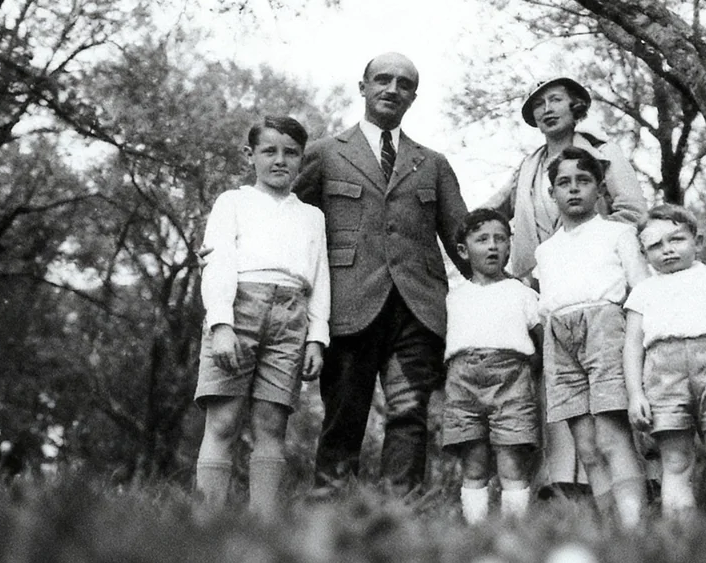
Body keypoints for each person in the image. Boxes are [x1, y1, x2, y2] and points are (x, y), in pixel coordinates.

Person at [294, 52, 469, 493]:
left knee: (409, 416)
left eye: (404, 84)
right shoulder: (324, 154)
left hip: (418, 311)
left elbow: (465, 240)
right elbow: (288, 222)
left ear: (413, 97)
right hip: (347, 307)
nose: (393, 89)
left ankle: (402, 514)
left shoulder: (433, 163)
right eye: (383, 79)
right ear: (363, 87)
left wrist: (513, 280)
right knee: (344, 418)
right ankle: (331, 514)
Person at [482, 77, 651, 500]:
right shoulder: (530, 165)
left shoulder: (603, 151)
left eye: (555, 99)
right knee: (562, 397)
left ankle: (637, 494)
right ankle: (569, 487)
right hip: (547, 287)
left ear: (575, 105)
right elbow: (492, 208)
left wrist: (583, 242)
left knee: (612, 402)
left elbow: (633, 210)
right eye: (538, 104)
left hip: (599, 286)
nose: (547, 109)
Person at [194, 115, 329, 518]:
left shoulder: (312, 216)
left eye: (291, 153)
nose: (280, 160)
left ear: (302, 159)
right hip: (240, 309)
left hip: (291, 316)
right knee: (223, 421)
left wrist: (317, 337)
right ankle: (207, 522)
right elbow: (218, 264)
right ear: (249, 155)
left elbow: (320, 277)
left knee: (271, 424)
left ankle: (263, 525)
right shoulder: (232, 202)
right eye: (269, 151)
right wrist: (221, 324)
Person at [531, 146, 648, 527]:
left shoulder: (618, 233)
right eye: (564, 182)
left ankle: (634, 526)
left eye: (583, 180)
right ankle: (611, 527)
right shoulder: (546, 251)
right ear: (552, 193)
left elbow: (642, 291)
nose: (573, 189)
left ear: (599, 188)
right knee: (587, 447)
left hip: (605, 329)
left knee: (612, 437)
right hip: (560, 339)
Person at [622, 204, 706, 519]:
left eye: (676, 239)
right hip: (664, 377)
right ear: (644, 253)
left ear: (697, 240)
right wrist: (636, 394)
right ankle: (682, 535)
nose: (667, 250)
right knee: (675, 461)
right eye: (655, 245)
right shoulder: (643, 291)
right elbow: (632, 346)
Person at [441, 209, 542, 523]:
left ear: (509, 246)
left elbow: (541, 340)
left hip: (512, 382)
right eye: (482, 239)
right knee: (474, 464)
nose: (492, 246)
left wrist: (530, 373)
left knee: (512, 463)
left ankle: (514, 531)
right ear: (463, 250)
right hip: (463, 384)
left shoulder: (522, 294)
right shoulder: (453, 297)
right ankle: (477, 531)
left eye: (500, 238)